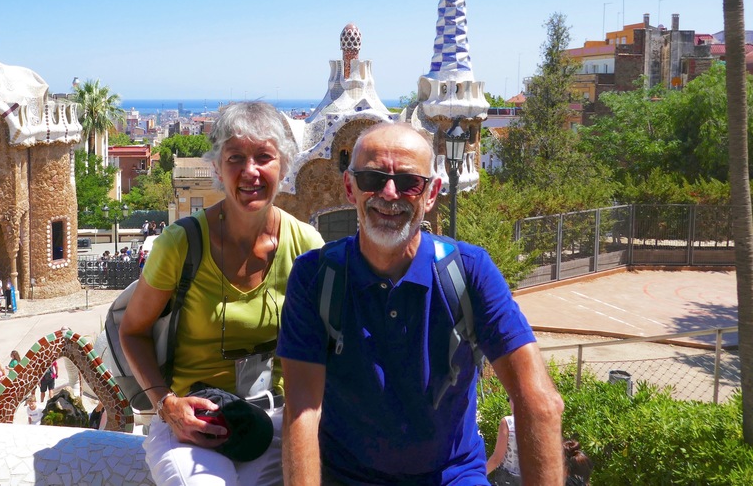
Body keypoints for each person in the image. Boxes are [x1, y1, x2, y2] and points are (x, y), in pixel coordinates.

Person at [278, 122, 564, 485]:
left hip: (450, 476)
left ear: (431, 194)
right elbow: (303, 411)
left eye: (409, 182)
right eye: (372, 178)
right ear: (351, 188)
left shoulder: (469, 271)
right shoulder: (315, 277)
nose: (389, 193)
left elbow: (538, 402)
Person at [119, 100, 325, 486]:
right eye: (235, 158)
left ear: (283, 165)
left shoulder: (306, 245)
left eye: (264, 157)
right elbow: (132, 330)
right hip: (195, 420)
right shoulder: (181, 244)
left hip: (276, 417)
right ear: (216, 167)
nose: (251, 171)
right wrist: (167, 405)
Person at [486, 401, 520, 485]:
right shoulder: (540, 422)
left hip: (509, 480)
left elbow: (496, 459)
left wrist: (478, 475)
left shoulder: (508, 422)